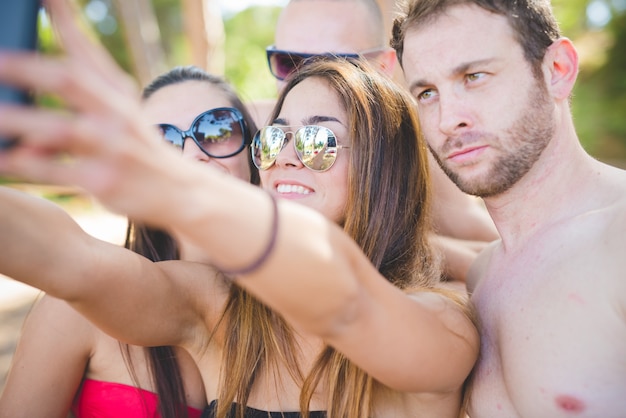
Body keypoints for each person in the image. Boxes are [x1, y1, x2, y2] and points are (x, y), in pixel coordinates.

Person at [0, 0, 479, 416]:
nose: (287, 156)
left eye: (318, 139)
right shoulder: (225, 307)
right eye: (274, 138)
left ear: (382, 169)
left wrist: (180, 186)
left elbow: (348, 303)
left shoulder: (445, 320)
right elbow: (75, 260)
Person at [389, 0, 626, 416]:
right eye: (427, 93)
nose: (448, 120)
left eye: (474, 76)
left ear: (558, 70)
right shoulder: (482, 276)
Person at [0, 65, 260, 417]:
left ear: (255, 149)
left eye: (218, 128)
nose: (191, 154)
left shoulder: (294, 315)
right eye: (160, 142)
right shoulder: (77, 306)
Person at [249, 0, 499, 282]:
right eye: (289, 63)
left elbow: (501, 248)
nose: (311, 79)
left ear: (382, 66)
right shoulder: (235, 130)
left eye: (337, 64)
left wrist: (397, 241)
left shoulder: (411, 142)